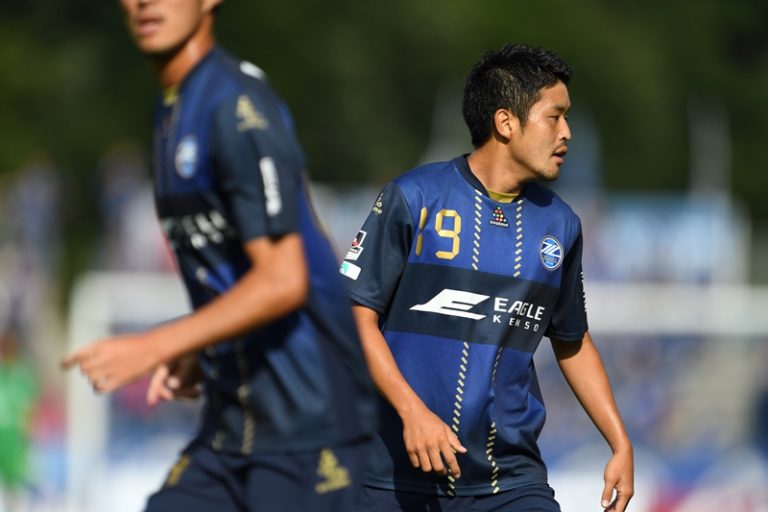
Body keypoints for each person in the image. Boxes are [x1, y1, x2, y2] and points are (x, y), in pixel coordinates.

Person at [62, 1, 377, 511]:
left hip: (310, 432)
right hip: (231, 430)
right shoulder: (171, 110)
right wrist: (203, 347)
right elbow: (235, 272)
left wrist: (156, 344)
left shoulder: (235, 106)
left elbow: (284, 279)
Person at [340, 43, 634, 512]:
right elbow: (355, 316)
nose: (567, 132)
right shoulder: (413, 197)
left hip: (510, 482)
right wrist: (413, 412)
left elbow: (572, 341)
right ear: (505, 123)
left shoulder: (561, 225)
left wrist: (619, 441)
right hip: (392, 479)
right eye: (555, 117)